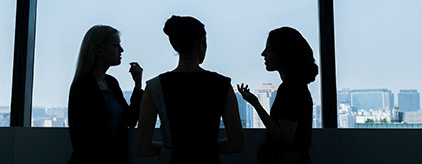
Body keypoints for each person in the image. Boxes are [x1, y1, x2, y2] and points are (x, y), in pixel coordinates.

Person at [136, 15, 244, 164]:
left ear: (175, 45)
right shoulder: (222, 85)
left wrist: (169, 148)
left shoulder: (154, 86)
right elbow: (237, 144)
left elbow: (142, 148)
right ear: (202, 43)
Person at [238, 27, 317, 164]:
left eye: (269, 49)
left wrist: (256, 104)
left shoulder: (290, 89)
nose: (263, 54)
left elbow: (284, 138)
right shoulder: (297, 87)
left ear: (282, 53)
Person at [67, 25, 143, 164]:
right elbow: (83, 140)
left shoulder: (111, 82)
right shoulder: (82, 87)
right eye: (116, 45)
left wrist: (138, 85)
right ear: (99, 50)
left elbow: (130, 120)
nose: (121, 50)